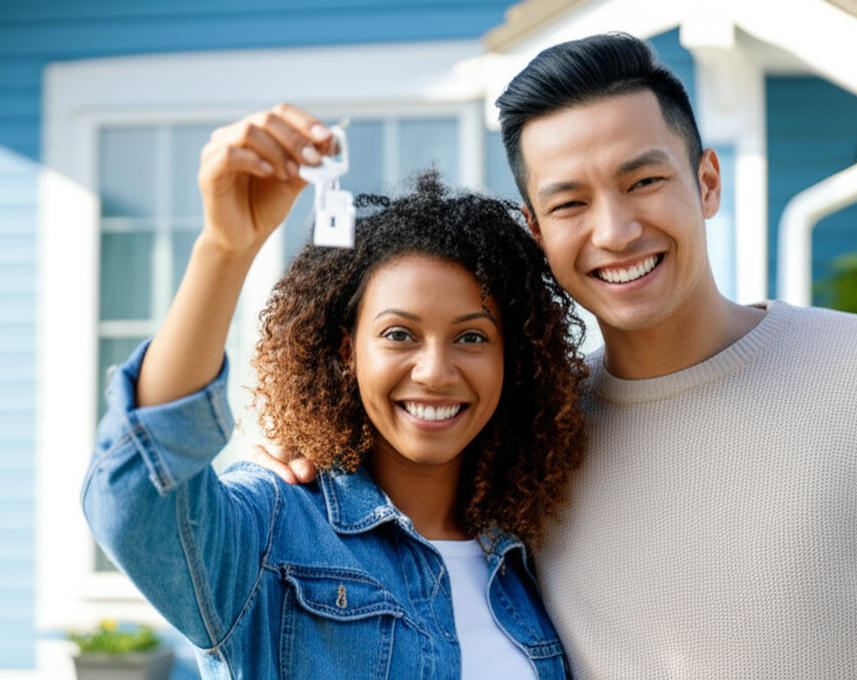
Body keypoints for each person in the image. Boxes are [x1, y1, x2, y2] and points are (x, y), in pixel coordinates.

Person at [259, 34, 857, 678]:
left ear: (707, 180)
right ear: (536, 230)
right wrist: (303, 452)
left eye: (644, 180)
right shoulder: (531, 436)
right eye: (571, 204)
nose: (617, 231)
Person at [81, 105, 589, 679]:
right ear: (346, 351)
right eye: (399, 334)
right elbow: (137, 504)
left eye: (472, 336)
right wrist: (225, 248)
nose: (435, 370)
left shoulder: (526, 557)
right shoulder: (275, 529)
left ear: (510, 360)